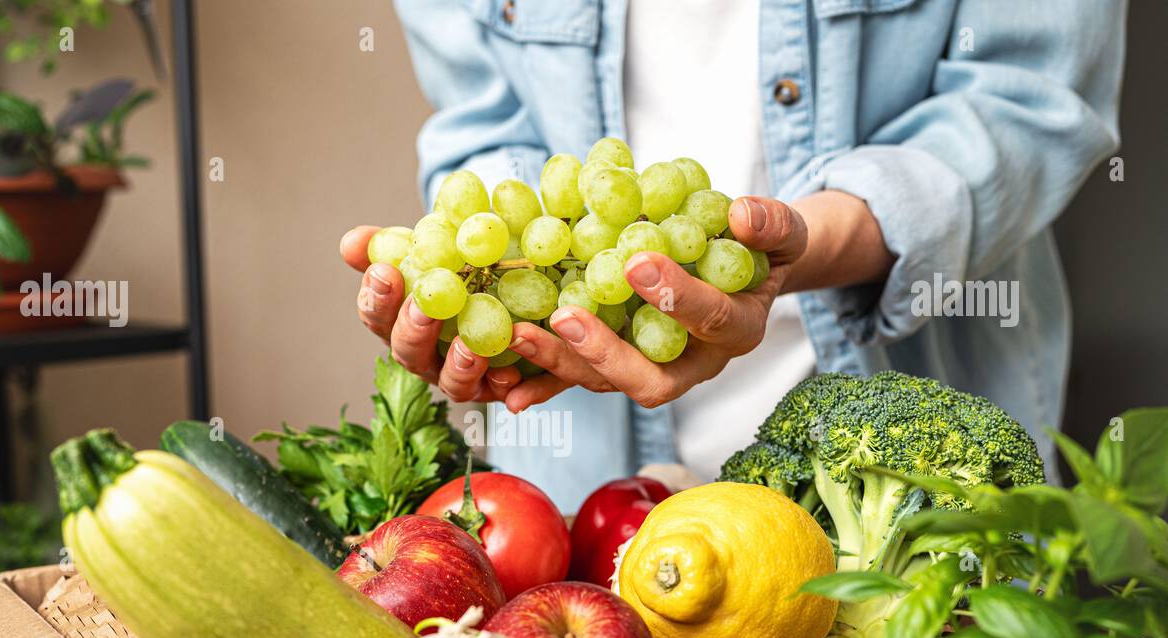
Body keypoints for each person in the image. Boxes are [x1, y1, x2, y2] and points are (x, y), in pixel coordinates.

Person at [341, 0, 1125, 512]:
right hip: (586, 490)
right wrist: (499, 308)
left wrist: (798, 251)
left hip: (915, 460)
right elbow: (484, 121)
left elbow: (1031, 97)